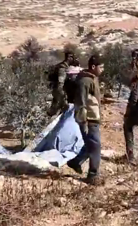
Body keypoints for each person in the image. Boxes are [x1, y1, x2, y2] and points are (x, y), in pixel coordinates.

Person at [66, 54, 105, 185]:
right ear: (93, 67)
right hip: (88, 119)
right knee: (95, 146)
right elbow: (81, 103)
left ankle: (75, 162)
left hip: (93, 118)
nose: (102, 69)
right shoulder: (85, 81)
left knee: (90, 145)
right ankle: (93, 176)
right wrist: (84, 123)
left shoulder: (92, 78)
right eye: (101, 67)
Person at [47, 51, 75, 117]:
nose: (73, 59)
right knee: (60, 110)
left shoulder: (65, 66)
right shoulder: (62, 68)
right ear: (68, 58)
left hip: (59, 91)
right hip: (60, 91)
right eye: (72, 57)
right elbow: (60, 83)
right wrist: (62, 95)